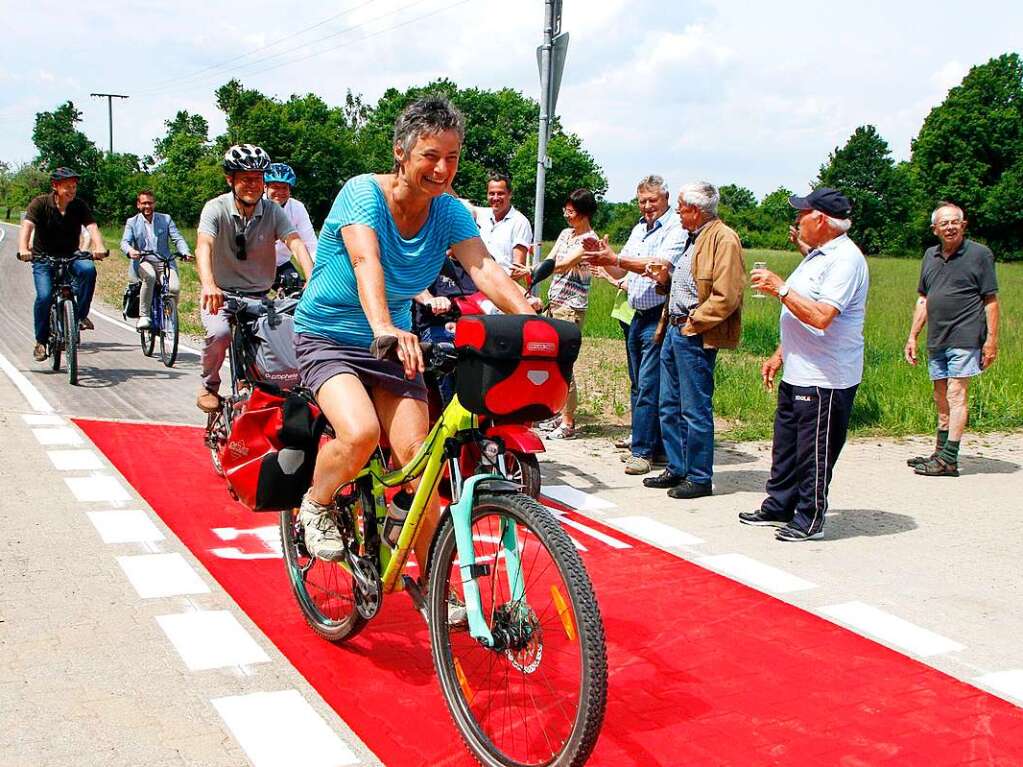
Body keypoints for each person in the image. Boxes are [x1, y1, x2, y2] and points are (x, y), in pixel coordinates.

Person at [292, 94, 535, 563]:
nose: (442, 169)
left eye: (453, 157)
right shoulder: (363, 193)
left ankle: (435, 591)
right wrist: (383, 324)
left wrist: (533, 323)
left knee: (420, 468)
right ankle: (318, 503)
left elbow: (485, 268)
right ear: (400, 153)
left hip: (394, 343)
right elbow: (366, 260)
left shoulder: (447, 212)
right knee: (360, 433)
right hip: (330, 335)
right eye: (430, 156)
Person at [745, 188, 868, 542]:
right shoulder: (816, 255)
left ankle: (810, 517)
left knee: (813, 450)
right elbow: (800, 315)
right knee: (785, 445)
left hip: (825, 376)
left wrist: (781, 289)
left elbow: (821, 317)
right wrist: (780, 352)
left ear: (822, 220)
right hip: (799, 368)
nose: (797, 221)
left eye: (803, 214)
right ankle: (779, 504)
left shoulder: (845, 259)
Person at [643, 182, 745, 499]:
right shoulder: (695, 237)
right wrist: (665, 282)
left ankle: (699, 477)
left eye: (682, 208)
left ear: (696, 210)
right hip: (674, 330)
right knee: (668, 404)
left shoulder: (723, 238)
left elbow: (727, 295)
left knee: (695, 409)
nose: (677, 212)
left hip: (695, 333)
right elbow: (688, 284)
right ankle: (677, 467)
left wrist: (693, 323)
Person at [194, 144, 314, 412]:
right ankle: (209, 385)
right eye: (245, 179)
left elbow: (295, 243)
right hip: (222, 293)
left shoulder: (272, 210)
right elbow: (204, 246)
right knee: (220, 332)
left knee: (284, 338)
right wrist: (209, 284)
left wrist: (312, 278)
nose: (253, 185)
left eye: (258, 178)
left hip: (259, 296)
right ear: (230, 179)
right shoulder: (215, 208)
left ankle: (256, 387)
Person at [581, 175, 680, 475]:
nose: (647, 207)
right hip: (635, 313)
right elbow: (621, 266)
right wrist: (602, 256)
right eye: (642, 201)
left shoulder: (674, 228)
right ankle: (652, 442)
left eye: (653, 201)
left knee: (650, 384)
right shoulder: (639, 229)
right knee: (639, 384)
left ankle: (643, 451)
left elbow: (659, 266)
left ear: (666, 199)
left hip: (659, 315)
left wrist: (617, 259)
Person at [903, 203, 999, 477]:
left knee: (957, 394)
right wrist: (913, 335)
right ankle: (940, 451)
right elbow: (924, 298)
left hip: (966, 336)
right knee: (941, 396)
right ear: (935, 229)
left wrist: (991, 341)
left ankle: (949, 460)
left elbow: (990, 301)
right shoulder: (930, 256)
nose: (950, 227)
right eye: (944, 223)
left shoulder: (980, 255)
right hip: (938, 337)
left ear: (964, 224)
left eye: (955, 221)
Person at [16, 168, 108, 362]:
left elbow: (92, 227)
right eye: (67, 187)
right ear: (55, 186)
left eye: (74, 187)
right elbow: (28, 226)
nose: (72, 191)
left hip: (70, 255)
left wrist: (99, 245)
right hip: (43, 258)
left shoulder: (79, 206)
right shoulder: (40, 204)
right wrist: (24, 248)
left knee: (88, 270)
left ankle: (80, 316)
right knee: (44, 296)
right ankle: (41, 341)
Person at [541, 188, 598, 440]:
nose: (566, 214)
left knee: (564, 364)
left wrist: (535, 271)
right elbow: (552, 259)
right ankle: (556, 412)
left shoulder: (589, 241)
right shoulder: (565, 234)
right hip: (554, 303)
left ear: (584, 213)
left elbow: (563, 265)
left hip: (571, 307)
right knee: (551, 362)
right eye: (566, 209)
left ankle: (568, 421)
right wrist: (534, 269)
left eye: (571, 211)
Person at [120, 190, 192, 329]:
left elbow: (177, 238)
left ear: (154, 204)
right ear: (138, 205)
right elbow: (124, 242)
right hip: (143, 261)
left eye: (150, 203)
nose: (147, 206)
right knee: (150, 276)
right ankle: (144, 315)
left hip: (164, 261)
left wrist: (185, 252)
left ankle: (168, 316)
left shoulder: (166, 219)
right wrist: (131, 251)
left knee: (174, 288)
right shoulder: (132, 222)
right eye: (144, 203)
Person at [264, 162, 318, 287]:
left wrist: (314, 277)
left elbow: (310, 245)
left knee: (296, 293)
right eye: (275, 187)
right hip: (253, 265)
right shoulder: (255, 205)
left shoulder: (297, 208)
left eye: (284, 188)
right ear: (265, 187)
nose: (280, 192)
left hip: (281, 263)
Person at [477, 173, 532, 281]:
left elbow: (518, 268)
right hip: (474, 282)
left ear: (510, 194)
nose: (496, 198)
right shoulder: (480, 216)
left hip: (501, 285)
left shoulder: (520, 222)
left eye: (500, 193)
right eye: (491, 193)